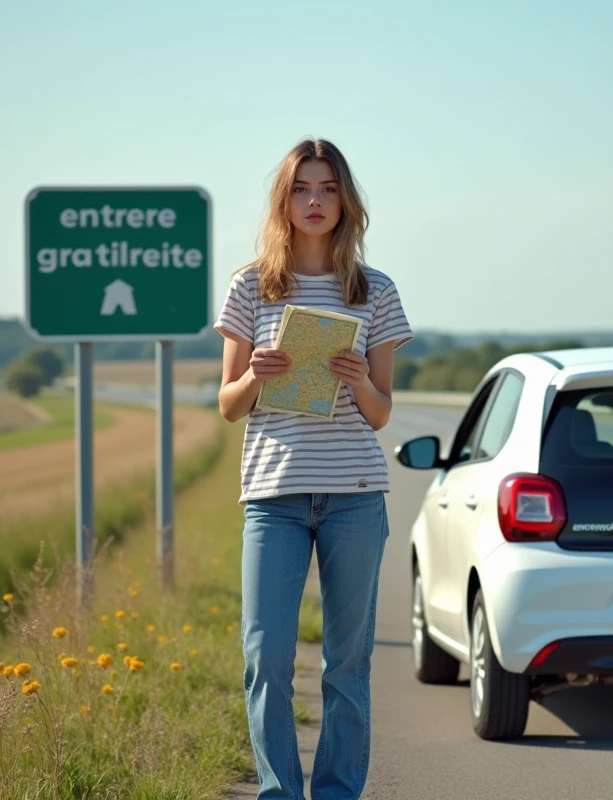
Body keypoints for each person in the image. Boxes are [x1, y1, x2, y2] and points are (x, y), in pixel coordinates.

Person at [213, 138, 413, 799]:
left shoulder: (374, 291)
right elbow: (227, 405)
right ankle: (278, 792)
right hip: (274, 497)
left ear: (346, 201)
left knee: (346, 665)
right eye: (303, 188)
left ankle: (334, 793)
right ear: (285, 201)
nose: (316, 201)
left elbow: (383, 414)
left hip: (356, 496)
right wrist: (255, 375)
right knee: (266, 658)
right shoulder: (251, 285)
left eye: (328, 188)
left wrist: (357, 380)